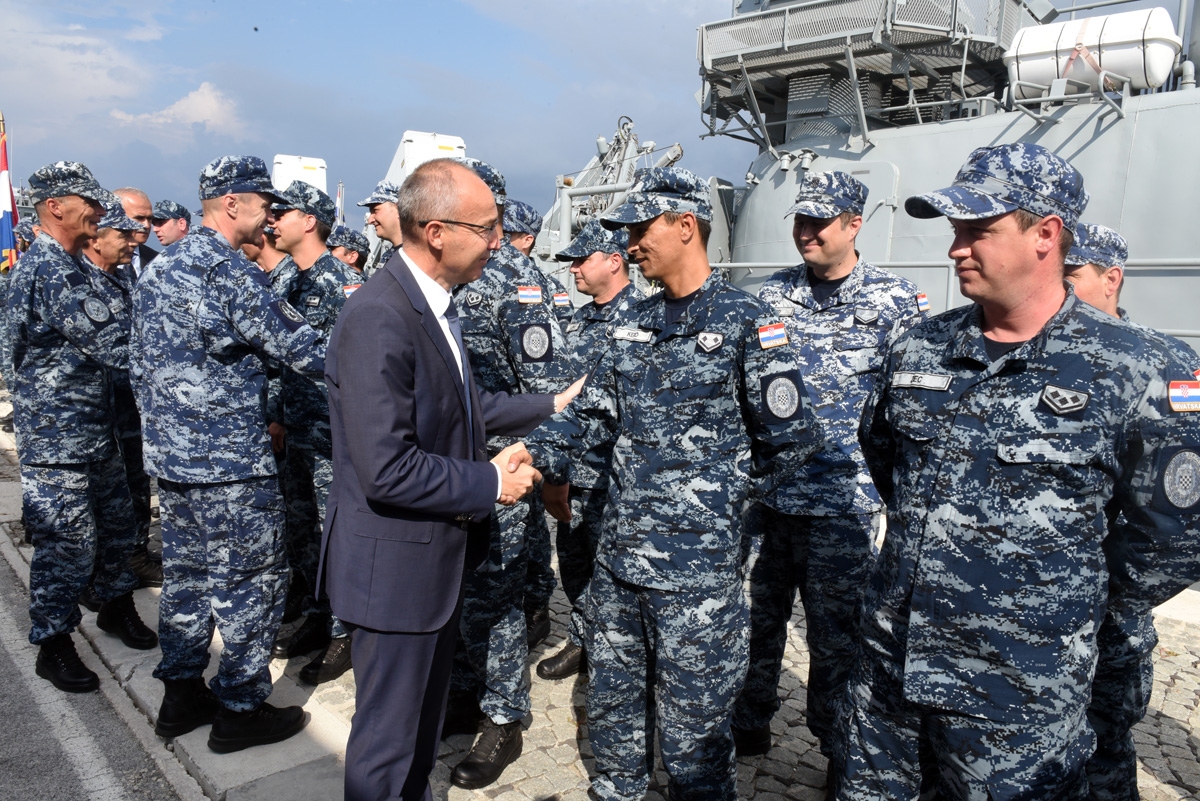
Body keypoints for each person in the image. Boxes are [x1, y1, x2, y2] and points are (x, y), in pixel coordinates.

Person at [841, 143, 1200, 799]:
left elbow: (1177, 535)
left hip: (1018, 697)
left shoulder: (1140, 366)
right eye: (955, 231)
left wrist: (1064, 600)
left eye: (979, 230)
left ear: (1046, 234)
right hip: (890, 677)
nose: (957, 248)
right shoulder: (917, 345)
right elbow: (886, 457)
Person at [518, 166, 821, 801]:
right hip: (620, 563)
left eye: (640, 228)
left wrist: (723, 509)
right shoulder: (632, 325)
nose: (630, 243)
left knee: (694, 740)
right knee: (615, 715)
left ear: (686, 226)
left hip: (698, 578)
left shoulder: (750, 323)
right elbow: (590, 416)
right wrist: (528, 458)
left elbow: (792, 443)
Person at [318, 158, 576, 801]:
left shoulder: (432, 305)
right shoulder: (382, 316)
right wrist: (491, 484)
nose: (499, 240)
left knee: (418, 742)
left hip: (428, 569)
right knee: (387, 749)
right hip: (395, 574)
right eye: (486, 228)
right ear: (437, 232)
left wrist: (549, 404)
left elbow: (460, 406)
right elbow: (388, 469)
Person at [131, 155, 325, 753]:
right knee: (252, 582)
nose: (270, 214)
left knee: (188, 582)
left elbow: (137, 364)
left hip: (175, 461)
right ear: (232, 203)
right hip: (230, 466)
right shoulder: (228, 272)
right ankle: (241, 707)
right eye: (263, 202)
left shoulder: (164, 269)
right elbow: (304, 348)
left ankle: (182, 693)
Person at [731, 171, 925, 765]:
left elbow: (907, 403)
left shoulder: (896, 302)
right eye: (800, 221)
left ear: (853, 224)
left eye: (819, 222)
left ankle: (836, 742)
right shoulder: (767, 296)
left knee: (837, 634)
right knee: (756, 620)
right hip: (770, 499)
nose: (806, 233)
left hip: (844, 505)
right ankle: (748, 722)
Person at [445, 160, 574, 790]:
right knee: (460, 590)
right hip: (449, 464)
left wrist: (530, 473)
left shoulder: (517, 285)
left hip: (502, 468)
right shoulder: (441, 279)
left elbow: (547, 395)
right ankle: (465, 692)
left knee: (494, 598)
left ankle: (503, 716)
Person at [1062, 223, 1200, 801]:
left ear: (1110, 278)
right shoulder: (1027, 352)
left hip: (1109, 613)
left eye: (1071, 275)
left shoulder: (1165, 362)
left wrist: (1107, 592)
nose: (1058, 290)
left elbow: (1180, 523)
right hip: (1016, 617)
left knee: (1101, 747)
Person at [10, 161, 156, 694]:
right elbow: (115, 345)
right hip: (58, 438)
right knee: (67, 543)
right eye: (88, 203)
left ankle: (115, 607)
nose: (98, 212)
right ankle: (53, 642)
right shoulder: (50, 268)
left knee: (118, 528)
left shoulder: (75, 265)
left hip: (95, 430)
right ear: (54, 207)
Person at [536, 219, 641, 682]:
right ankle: (582, 637)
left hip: (616, 477)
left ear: (614, 262)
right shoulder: (578, 321)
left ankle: (618, 651)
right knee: (576, 561)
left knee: (616, 569)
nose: (574, 269)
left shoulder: (642, 318)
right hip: (572, 472)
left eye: (582, 259)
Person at [267, 181, 361, 685]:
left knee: (336, 534)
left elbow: (360, 366)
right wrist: (277, 412)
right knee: (303, 530)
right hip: (294, 431)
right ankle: (319, 615)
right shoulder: (284, 279)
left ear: (310, 221)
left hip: (332, 438)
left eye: (284, 212)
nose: (273, 220)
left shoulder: (343, 284)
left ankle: (346, 632)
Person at [357, 179, 402, 276]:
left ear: (398, 209)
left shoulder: (418, 256)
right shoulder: (390, 255)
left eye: (375, 211)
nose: (370, 220)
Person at [113, 187, 157, 276]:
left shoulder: (157, 261)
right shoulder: (83, 257)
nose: (147, 225)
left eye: (149, 219)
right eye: (139, 218)